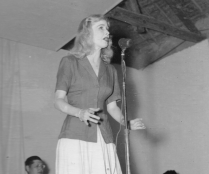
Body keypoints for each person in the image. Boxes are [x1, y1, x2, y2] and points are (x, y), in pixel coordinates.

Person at [54, 14, 145, 174]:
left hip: (104, 135)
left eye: (107, 29)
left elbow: (112, 107)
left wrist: (126, 123)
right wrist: (80, 112)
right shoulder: (70, 62)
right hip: (75, 135)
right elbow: (58, 100)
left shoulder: (110, 70)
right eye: (101, 28)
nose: (107, 32)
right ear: (87, 33)